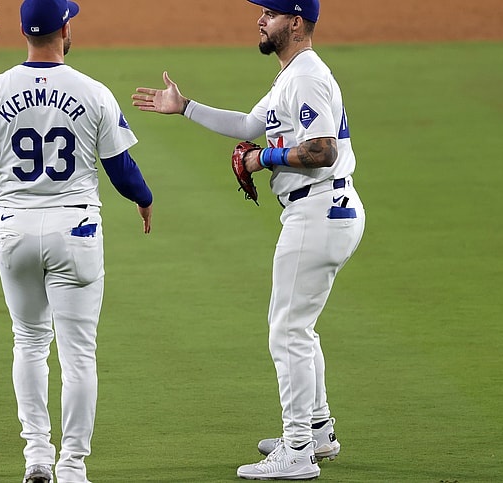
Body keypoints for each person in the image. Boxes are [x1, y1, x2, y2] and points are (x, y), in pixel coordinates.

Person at [132, 0, 364, 479]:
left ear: (295, 23)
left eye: (272, 13)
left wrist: (264, 160)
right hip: (323, 209)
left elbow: (323, 150)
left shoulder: (306, 77)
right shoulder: (290, 75)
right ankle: (316, 430)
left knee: (288, 332)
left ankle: (297, 451)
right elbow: (247, 126)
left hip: (319, 209)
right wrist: (185, 107)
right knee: (300, 326)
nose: (261, 19)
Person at [0, 1, 153, 481]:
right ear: (65, 28)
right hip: (76, 230)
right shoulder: (91, 91)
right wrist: (144, 198)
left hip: (14, 228)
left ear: (25, 32)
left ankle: (36, 457)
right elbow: (122, 170)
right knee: (78, 354)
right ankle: (71, 466)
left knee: (29, 342)